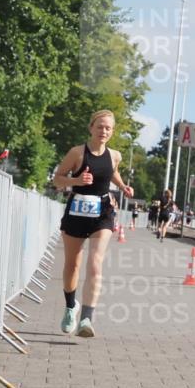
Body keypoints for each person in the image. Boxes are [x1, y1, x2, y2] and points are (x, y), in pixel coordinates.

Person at [53, 109, 134, 338]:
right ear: (91, 128)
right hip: (77, 211)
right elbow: (57, 179)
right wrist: (76, 180)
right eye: (99, 126)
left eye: (108, 128)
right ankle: (71, 307)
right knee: (72, 266)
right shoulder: (77, 153)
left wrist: (123, 187)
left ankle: (87, 317)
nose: (103, 131)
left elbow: (113, 173)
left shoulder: (114, 155)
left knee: (96, 264)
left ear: (112, 131)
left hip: (102, 212)